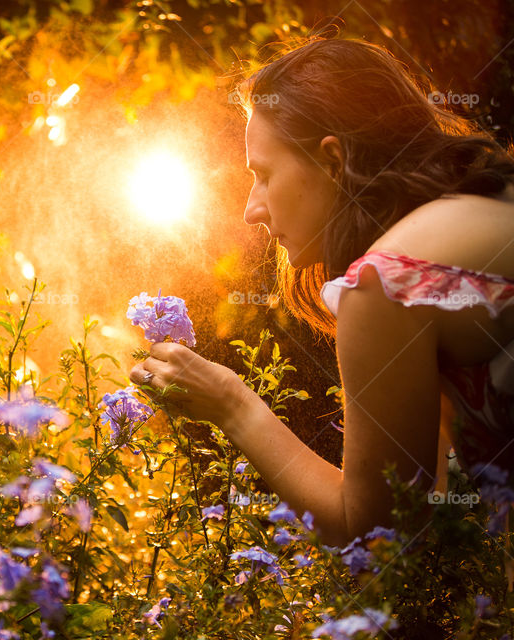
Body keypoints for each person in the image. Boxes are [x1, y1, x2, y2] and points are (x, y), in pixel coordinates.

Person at [130, 37, 514, 547]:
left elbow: (382, 539)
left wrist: (232, 405)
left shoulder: (385, 283)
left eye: (263, 175)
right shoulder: (490, 203)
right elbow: (432, 498)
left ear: (333, 161)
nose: (251, 209)